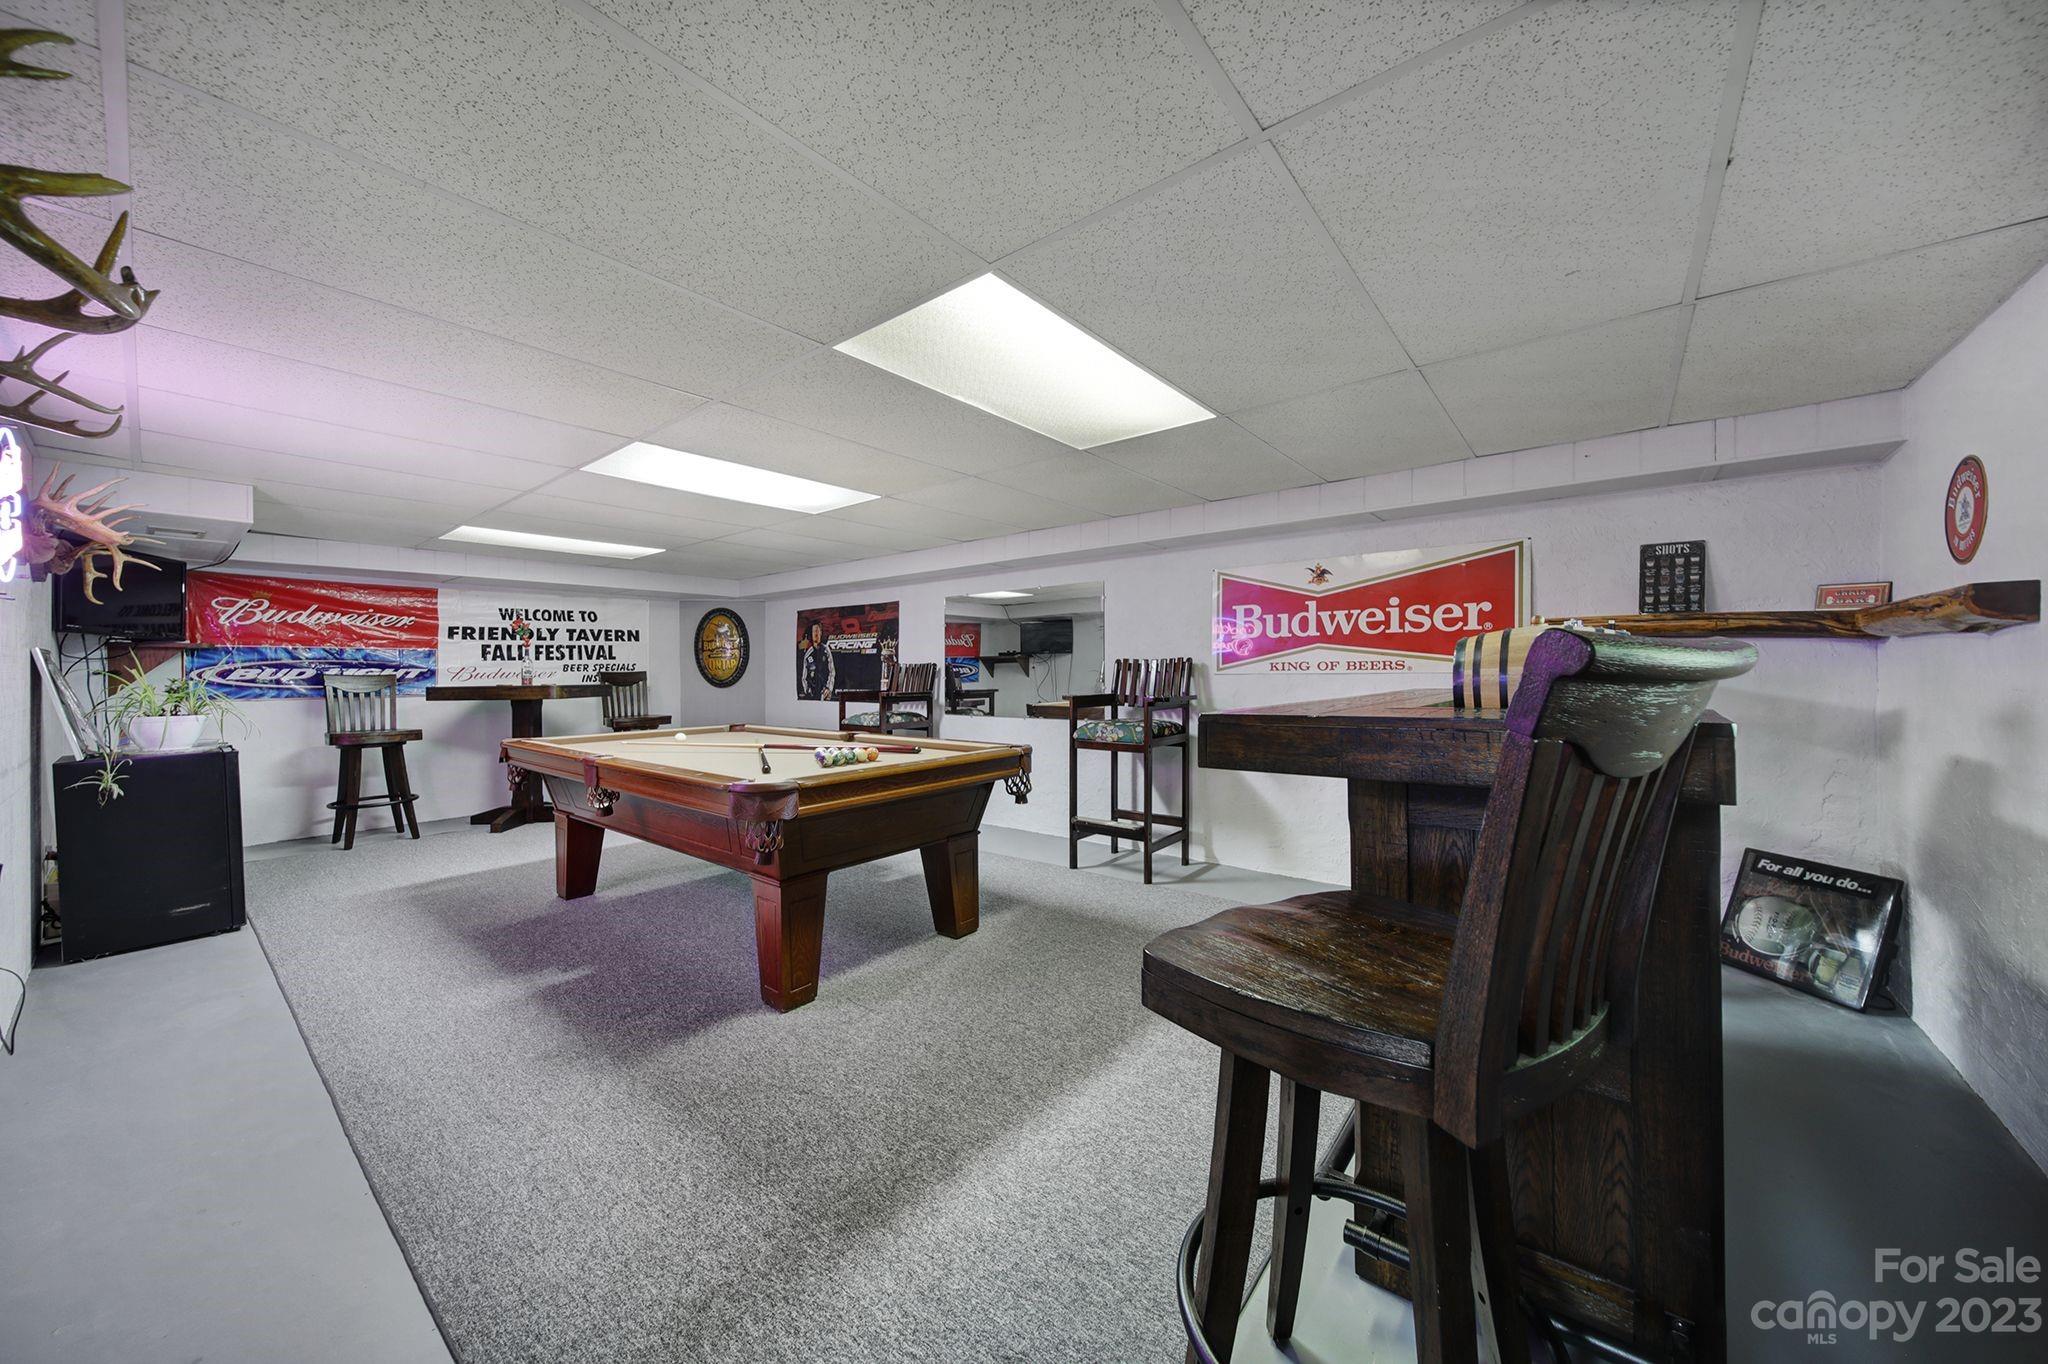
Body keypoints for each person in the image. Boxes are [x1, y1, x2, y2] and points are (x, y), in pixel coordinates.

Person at [800, 620, 836, 699]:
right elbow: (804, 676)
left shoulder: (826, 650)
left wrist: (829, 688)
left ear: (821, 633)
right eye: (814, 631)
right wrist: (807, 690)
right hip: (812, 693)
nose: (815, 633)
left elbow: (832, 671)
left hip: (825, 693)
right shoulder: (808, 654)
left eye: (817, 631)